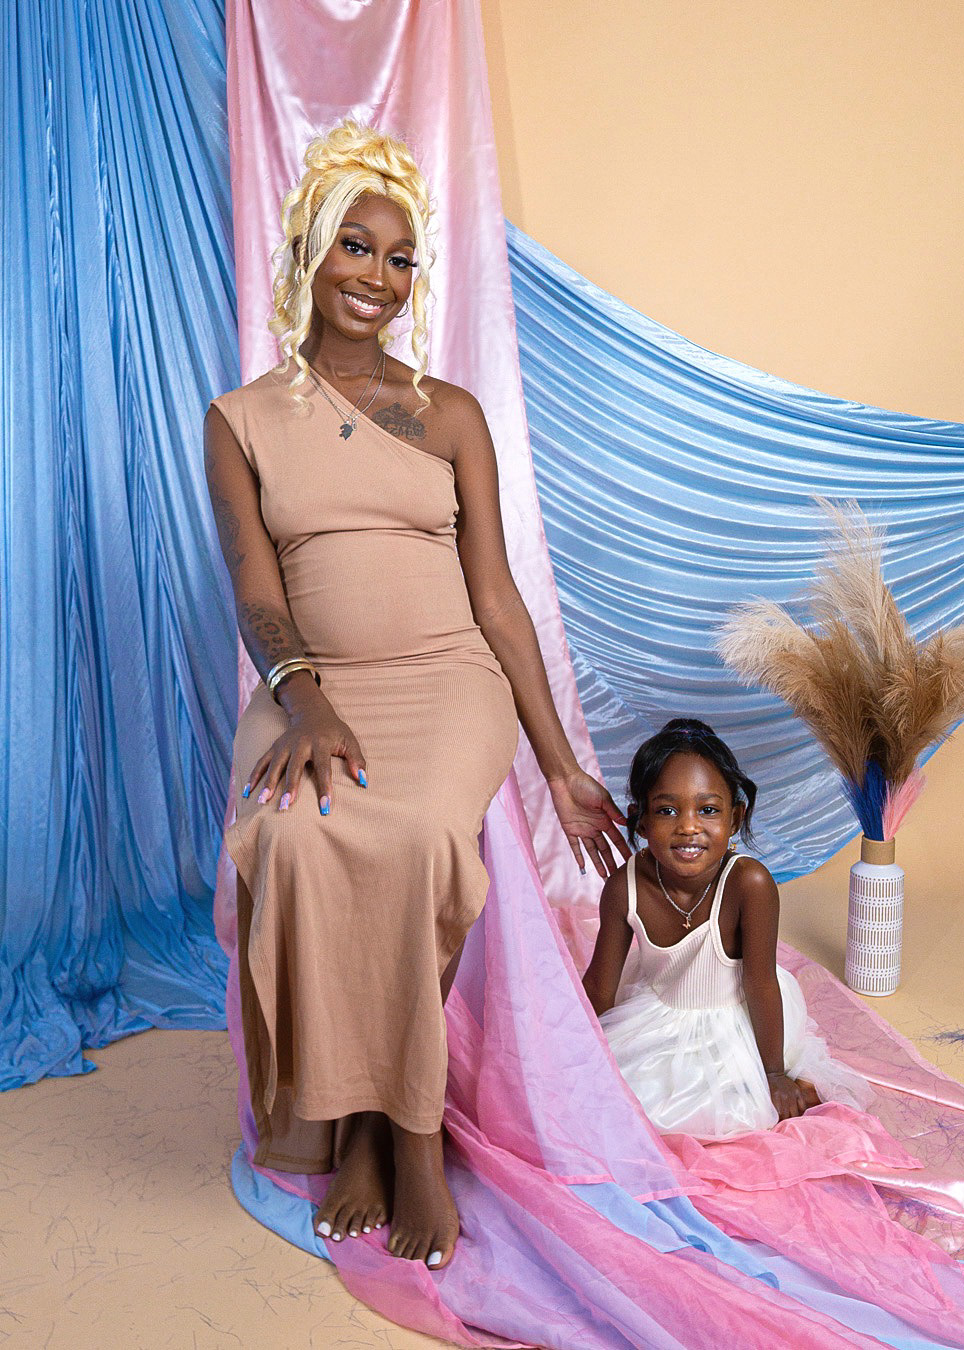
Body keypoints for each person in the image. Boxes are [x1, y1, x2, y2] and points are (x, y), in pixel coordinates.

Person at [204, 121, 628, 1271]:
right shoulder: (241, 420)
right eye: (356, 245)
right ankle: (349, 1127)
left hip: (447, 680)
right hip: (313, 687)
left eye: (400, 258)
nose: (378, 277)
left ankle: (411, 1135)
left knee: (421, 837)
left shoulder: (447, 414)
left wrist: (559, 766)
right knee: (291, 837)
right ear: (309, 248)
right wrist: (306, 702)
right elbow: (256, 590)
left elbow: (495, 598)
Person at [582, 718, 872, 1138]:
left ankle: (783, 1080)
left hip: (742, 1016)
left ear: (735, 818)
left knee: (735, 1109)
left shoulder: (749, 883)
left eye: (708, 810)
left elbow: (760, 984)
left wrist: (773, 1074)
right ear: (639, 820)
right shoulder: (624, 887)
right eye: (666, 810)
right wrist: (576, 1055)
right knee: (620, 1100)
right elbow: (598, 987)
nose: (688, 826)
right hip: (660, 1013)